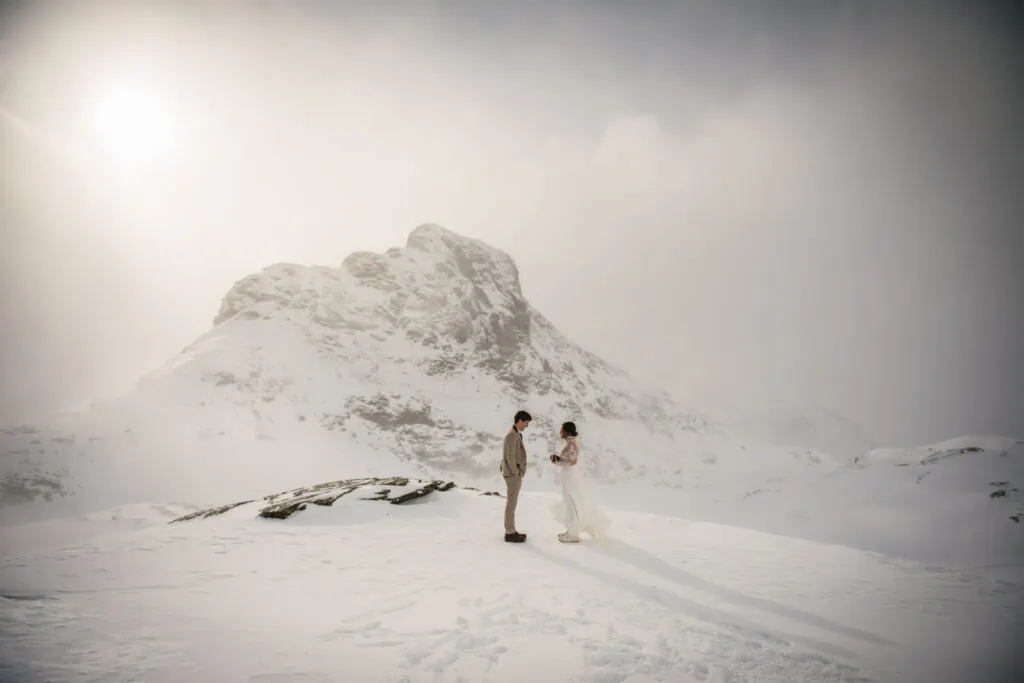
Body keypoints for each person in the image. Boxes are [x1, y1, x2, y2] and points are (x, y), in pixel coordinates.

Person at [549, 421, 609, 543]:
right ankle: (571, 530)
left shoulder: (571, 443)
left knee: (571, 504)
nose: (560, 432)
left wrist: (557, 461)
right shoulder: (569, 442)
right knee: (568, 503)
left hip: (570, 477)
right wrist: (558, 459)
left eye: (562, 430)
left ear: (566, 431)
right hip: (568, 476)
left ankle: (573, 533)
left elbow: (572, 462)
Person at [500, 410, 531, 543]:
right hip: (512, 474)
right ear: (519, 421)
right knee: (511, 503)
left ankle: (511, 530)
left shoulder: (515, 433)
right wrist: (516, 473)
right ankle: (509, 533)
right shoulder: (512, 435)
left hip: (513, 473)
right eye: (526, 423)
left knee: (512, 503)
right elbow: (510, 456)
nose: (527, 426)